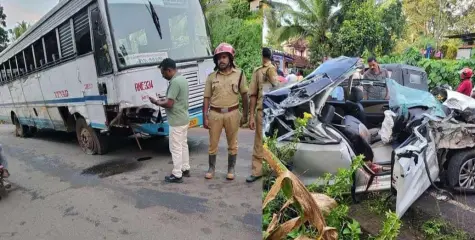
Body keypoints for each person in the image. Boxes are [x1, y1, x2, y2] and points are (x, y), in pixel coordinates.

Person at [203, 43, 249, 180]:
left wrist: (245, 115)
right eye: (218, 58)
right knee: (212, 144)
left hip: (233, 113)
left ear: (230, 58)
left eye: (224, 57)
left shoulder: (239, 74)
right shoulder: (211, 77)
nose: (221, 60)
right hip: (215, 114)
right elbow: (206, 98)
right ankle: (211, 168)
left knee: (232, 143)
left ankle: (231, 169)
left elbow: (244, 96)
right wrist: (205, 116)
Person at [149, 58, 190, 183]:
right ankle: (185, 168)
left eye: (163, 73)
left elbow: (170, 103)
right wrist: (164, 99)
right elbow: (174, 99)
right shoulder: (182, 79)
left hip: (176, 121)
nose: (162, 76)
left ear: (169, 70)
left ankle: (177, 174)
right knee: (183, 144)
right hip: (183, 118)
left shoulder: (175, 82)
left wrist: (156, 102)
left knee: (175, 148)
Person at [247, 47, 279, 183]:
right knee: (261, 142)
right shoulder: (259, 71)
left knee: (267, 142)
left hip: (267, 112)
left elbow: (276, 88)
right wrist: (251, 116)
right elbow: (253, 94)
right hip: (265, 112)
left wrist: (251, 115)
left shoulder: (270, 70)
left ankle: (265, 172)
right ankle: (258, 172)